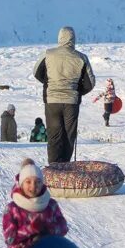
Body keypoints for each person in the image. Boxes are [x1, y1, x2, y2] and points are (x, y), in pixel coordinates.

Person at [33, 26, 95, 164]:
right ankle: (65, 169)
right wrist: (77, 91)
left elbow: (36, 72)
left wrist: (49, 83)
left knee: (54, 136)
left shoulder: (48, 54)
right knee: (68, 136)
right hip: (71, 102)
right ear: (73, 39)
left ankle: (54, 169)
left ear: (59, 37)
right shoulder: (81, 58)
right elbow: (90, 83)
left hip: (52, 101)